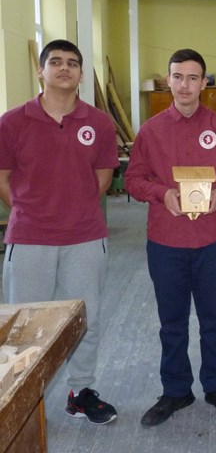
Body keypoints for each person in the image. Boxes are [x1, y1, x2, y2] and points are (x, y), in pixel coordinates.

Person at [0, 39, 119, 424]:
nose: (64, 68)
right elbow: (3, 179)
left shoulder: (99, 123)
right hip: (29, 238)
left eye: (72, 63)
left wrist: (73, 210)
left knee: (86, 318)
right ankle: (20, 403)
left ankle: (80, 392)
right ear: (41, 70)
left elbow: (103, 178)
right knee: (24, 323)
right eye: (55, 62)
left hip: (85, 237)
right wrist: (31, 210)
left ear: (81, 74)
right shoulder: (12, 122)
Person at [126, 49, 216, 426]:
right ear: (168, 80)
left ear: (204, 83)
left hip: (213, 240)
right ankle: (176, 390)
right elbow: (133, 179)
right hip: (167, 242)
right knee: (172, 322)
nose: (184, 85)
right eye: (178, 77)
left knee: (214, 320)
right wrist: (162, 193)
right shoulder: (151, 130)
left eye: (193, 78)